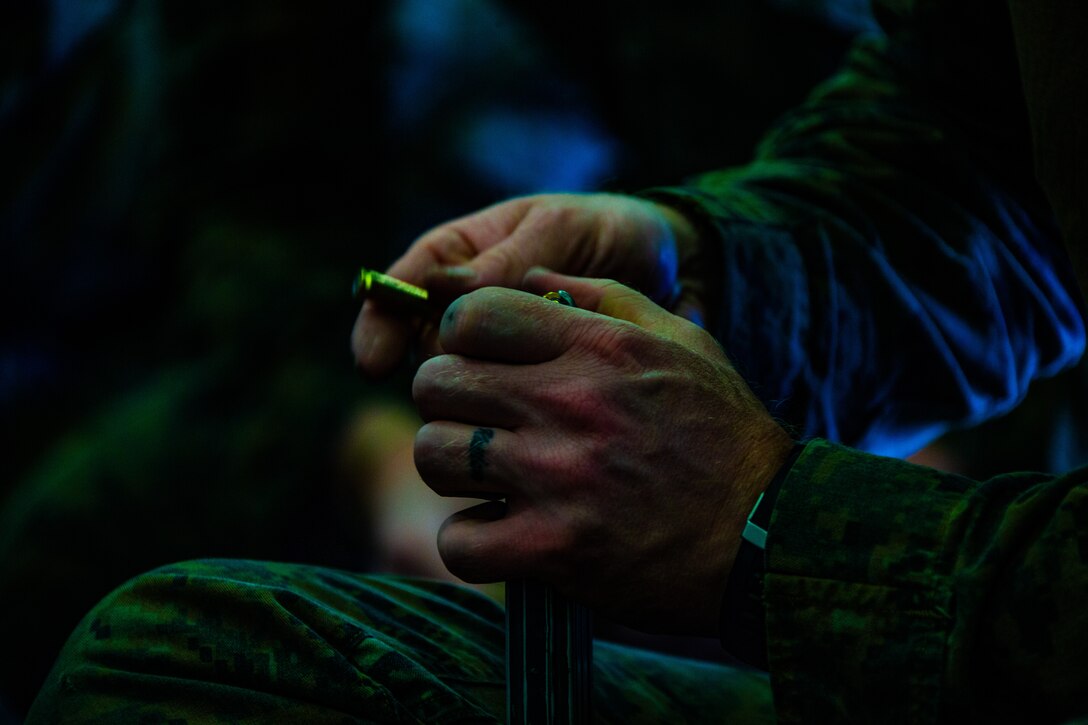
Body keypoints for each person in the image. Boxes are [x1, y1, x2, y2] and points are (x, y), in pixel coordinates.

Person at [27, 0, 1088, 722]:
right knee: (150, 634)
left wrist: (789, 525)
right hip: (470, 424)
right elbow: (965, 166)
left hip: (962, 560)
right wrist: (706, 260)